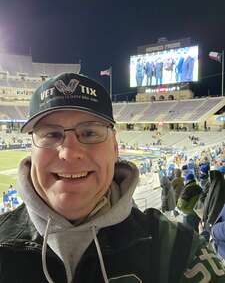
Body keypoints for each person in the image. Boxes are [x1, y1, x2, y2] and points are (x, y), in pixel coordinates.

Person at [0, 73, 225, 283]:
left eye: (89, 133)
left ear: (115, 148)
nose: (68, 152)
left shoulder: (179, 251)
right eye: (50, 134)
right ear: (31, 150)